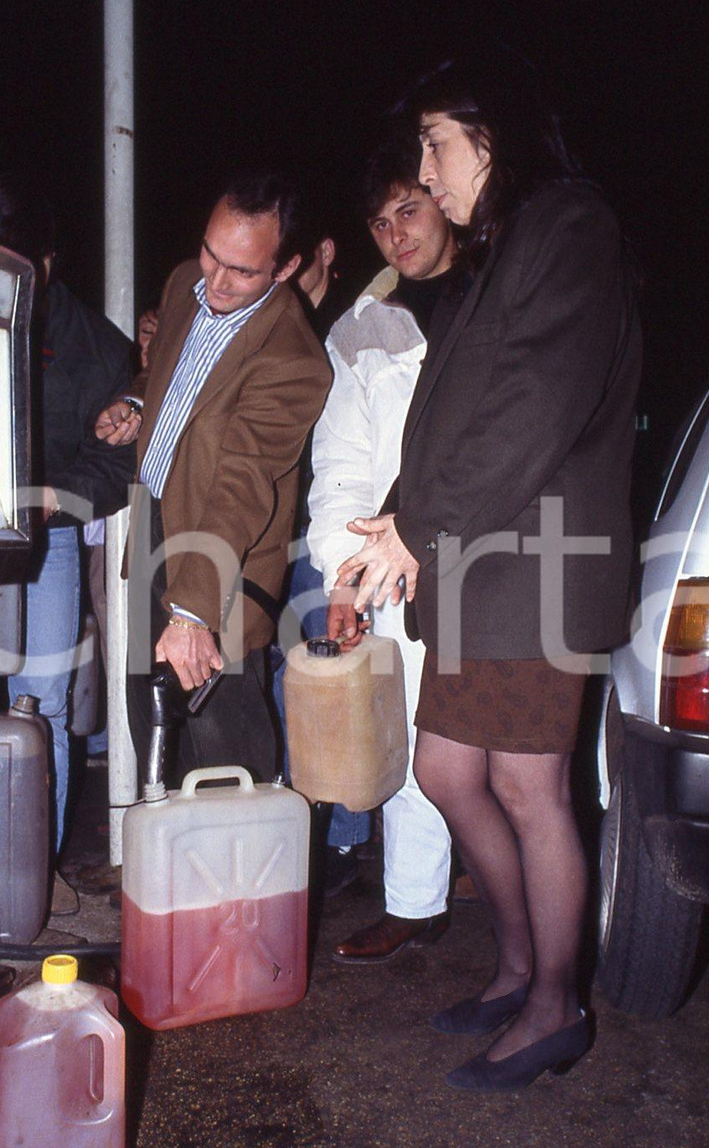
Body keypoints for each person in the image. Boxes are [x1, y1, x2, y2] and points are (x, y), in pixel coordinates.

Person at [335, 47, 642, 1091]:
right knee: (446, 770)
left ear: (491, 136)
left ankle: (557, 1004)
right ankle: (516, 968)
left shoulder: (570, 226)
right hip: (480, 559)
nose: (424, 170)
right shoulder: (493, 253)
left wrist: (422, 527)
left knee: (525, 783)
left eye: (437, 142)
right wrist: (400, 518)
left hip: (539, 562)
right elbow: (449, 417)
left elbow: (534, 406)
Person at [95, 170, 332, 787]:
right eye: (211, 253)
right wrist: (138, 405)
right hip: (152, 525)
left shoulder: (295, 359)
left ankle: (247, 884)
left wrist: (194, 614)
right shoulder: (183, 284)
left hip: (221, 559)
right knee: (149, 731)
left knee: (223, 754)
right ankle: (170, 876)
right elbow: (167, 378)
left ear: (284, 269)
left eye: (242, 271)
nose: (217, 280)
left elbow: (242, 486)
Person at [307, 138, 457, 956]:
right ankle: (414, 904)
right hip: (391, 556)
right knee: (402, 726)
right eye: (380, 221)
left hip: (496, 552)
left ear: (443, 197)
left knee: (504, 756)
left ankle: (524, 914)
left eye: (410, 209)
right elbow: (341, 464)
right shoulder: (362, 327)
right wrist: (344, 573)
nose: (397, 233)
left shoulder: (495, 295)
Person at [0, 172, 137, 901]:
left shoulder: (97, 346)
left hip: (50, 546)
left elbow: (118, 456)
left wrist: (53, 501)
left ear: (49, 260)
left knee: (43, 702)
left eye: (21, 266)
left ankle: (33, 874)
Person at [272, 206, 372, 897]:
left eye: (295, 261)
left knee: (339, 687)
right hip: (289, 531)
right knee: (297, 687)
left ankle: (342, 839)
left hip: (343, 533)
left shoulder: (362, 320)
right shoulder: (275, 324)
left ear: (325, 252)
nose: (282, 276)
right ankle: (309, 821)